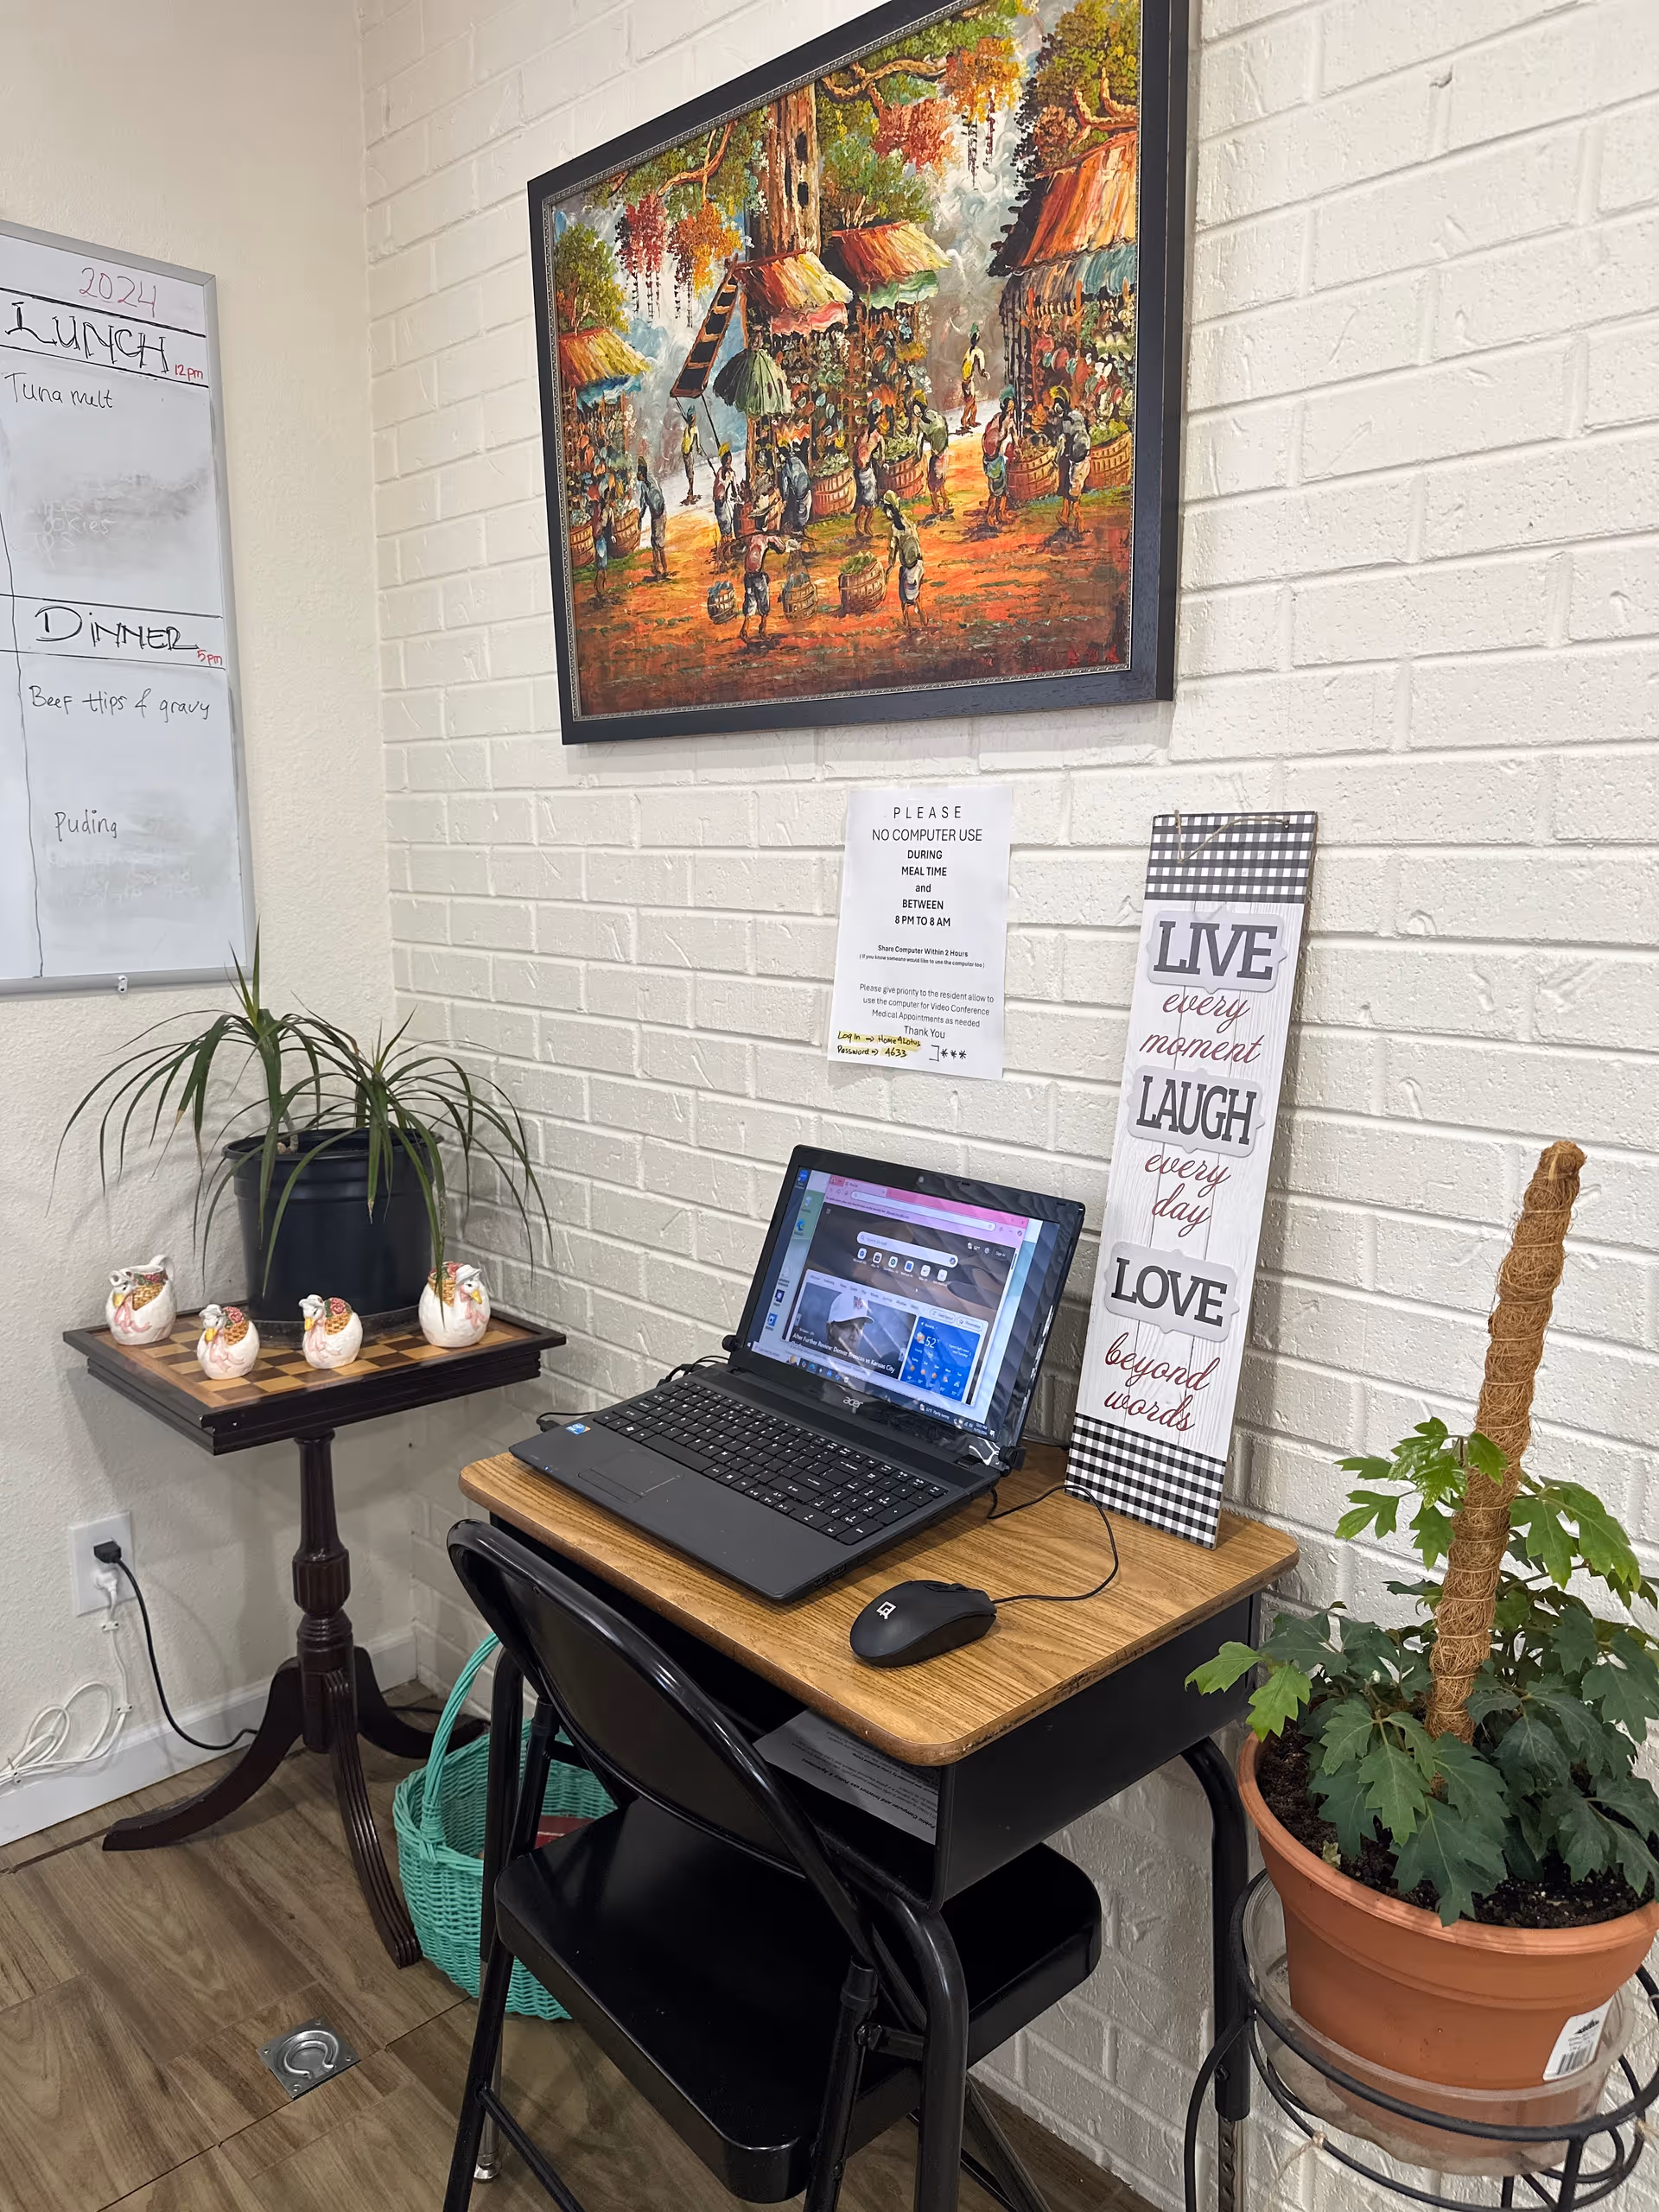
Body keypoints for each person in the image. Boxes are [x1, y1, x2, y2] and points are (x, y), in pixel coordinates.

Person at [738, 524, 795, 650]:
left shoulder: (754, 536)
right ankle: (759, 630)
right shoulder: (764, 537)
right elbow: (781, 548)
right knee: (760, 601)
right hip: (756, 576)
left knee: (752, 601)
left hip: (751, 575)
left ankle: (750, 629)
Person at [881, 492, 926, 631]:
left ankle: (907, 623)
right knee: (917, 596)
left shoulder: (895, 529)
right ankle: (923, 621)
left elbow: (893, 553)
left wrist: (889, 569)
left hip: (909, 568)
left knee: (904, 598)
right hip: (919, 565)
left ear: (889, 510)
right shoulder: (907, 520)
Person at [912, 391, 952, 519]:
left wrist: (917, 457)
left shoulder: (922, 425)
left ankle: (936, 507)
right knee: (939, 482)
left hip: (938, 455)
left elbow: (919, 443)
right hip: (944, 452)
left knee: (932, 484)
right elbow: (945, 428)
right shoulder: (934, 415)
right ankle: (945, 502)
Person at [1053, 406, 1091, 545]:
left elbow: (1063, 444)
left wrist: (1057, 459)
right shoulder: (1078, 417)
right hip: (1083, 459)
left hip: (1077, 462)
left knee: (1074, 496)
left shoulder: (1067, 423)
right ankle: (1067, 518)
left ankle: (1079, 526)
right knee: (1072, 491)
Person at [981, 388, 1013, 533]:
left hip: (998, 459)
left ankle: (1001, 513)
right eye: (1009, 408)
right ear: (1004, 407)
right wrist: (992, 455)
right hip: (993, 460)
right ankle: (990, 516)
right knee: (995, 492)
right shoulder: (998, 421)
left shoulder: (1008, 420)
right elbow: (989, 441)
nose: (1011, 411)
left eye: (1012, 408)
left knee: (1003, 490)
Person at [637, 452, 670, 580]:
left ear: (642, 472)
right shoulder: (644, 486)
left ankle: (664, 568)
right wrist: (640, 515)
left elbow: (659, 498)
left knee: (659, 542)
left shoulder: (652, 482)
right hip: (654, 515)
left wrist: (659, 513)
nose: (638, 475)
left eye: (639, 473)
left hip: (659, 514)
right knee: (654, 542)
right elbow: (643, 503)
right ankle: (657, 567)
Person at [852, 404, 881, 541]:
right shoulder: (877, 436)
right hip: (867, 471)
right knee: (870, 503)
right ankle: (866, 527)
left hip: (860, 470)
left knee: (863, 500)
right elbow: (882, 456)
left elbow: (856, 450)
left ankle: (859, 526)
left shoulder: (863, 433)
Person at [780, 435, 813, 544]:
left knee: (801, 510)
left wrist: (784, 498)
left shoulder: (786, 467)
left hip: (801, 490)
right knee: (804, 509)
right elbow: (804, 473)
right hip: (806, 488)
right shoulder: (797, 460)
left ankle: (800, 530)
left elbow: (785, 485)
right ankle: (801, 530)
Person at [711, 445, 737, 568]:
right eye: (726, 460)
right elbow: (718, 489)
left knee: (727, 530)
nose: (728, 462)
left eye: (729, 460)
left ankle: (726, 555)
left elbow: (734, 491)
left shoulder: (729, 473)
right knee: (725, 530)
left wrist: (736, 497)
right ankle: (724, 556)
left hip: (722, 504)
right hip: (719, 505)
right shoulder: (721, 472)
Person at [959, 323, 986, 434]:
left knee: (973, 402)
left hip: (966, 380)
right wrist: (984, 374)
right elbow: (981, 368)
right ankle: (964, 419)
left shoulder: (969, 351)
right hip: (968, 381)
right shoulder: (977, 352)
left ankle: (972, 420)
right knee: (970, 402)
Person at [679, 410, 701, 504]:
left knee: (690, 472)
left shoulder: (694, 429)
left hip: (688, 453)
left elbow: (697, 440)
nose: (692, 422)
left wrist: (698, 448)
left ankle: (691, 490)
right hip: (684, 453)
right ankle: (690, 489)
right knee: (688, 472)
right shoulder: (687, 428)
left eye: (692, 420)